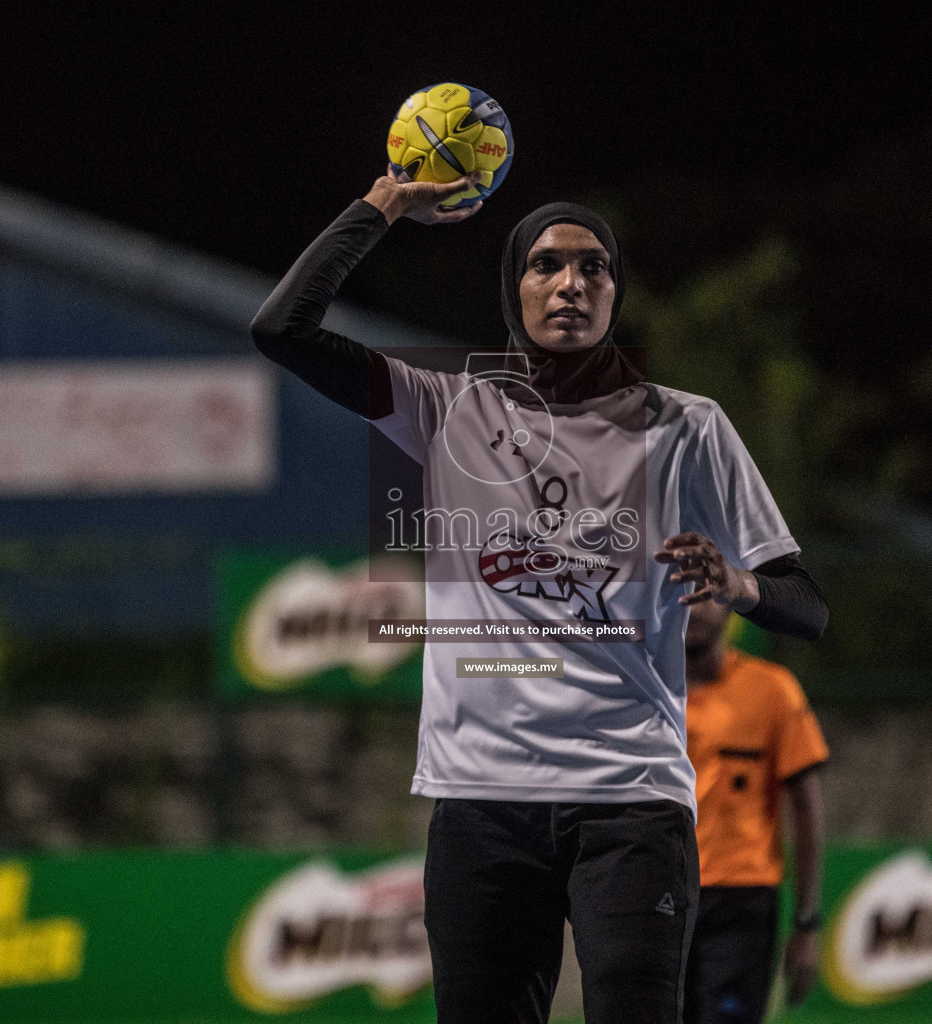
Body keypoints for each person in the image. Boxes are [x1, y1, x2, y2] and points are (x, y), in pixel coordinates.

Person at [250, 169, 827, 1024]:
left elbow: (806, 606)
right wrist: (385, 208)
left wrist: (737, 583)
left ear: (615, 294)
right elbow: (281, 330)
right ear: (514, 286)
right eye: (547, 265)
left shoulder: (686, 425)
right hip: (482, 801)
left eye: (594, 268)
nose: (571, 284)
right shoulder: (446, 406)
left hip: (633, 798)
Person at [682, 598, 828, 1023]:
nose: (694, 606)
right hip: (658, 893)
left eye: (706, 592)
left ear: (730, 602)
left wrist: (806, 924)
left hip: (740, 903)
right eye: (682, 590)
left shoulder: (772, 690)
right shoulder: (642, 689)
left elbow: (807, 808)